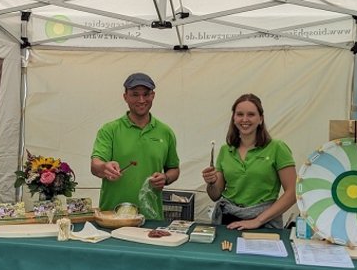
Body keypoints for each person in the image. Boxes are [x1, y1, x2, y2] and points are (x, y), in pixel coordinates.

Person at [91, 72, 180, 220]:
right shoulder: (109, 130)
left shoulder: (165, 132)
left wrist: (165, 177)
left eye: (146, 94)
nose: (141, 100)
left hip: (151, 218)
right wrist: (104, 167)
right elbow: (95, 164)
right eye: (135, 94)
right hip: (113, 217)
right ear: (125, 96)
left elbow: (174, 169)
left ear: (153, 95)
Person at [202, 93, 297, 230]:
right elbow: (215, 195)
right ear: (234, 118)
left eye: (251, 114)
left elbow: (293, 192)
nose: (244, 119)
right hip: (228, 222)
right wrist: (211, 183)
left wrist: (257, 221)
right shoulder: (225, 150)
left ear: (261, 119)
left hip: (264, 222)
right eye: (240, 114)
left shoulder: (277, 148)